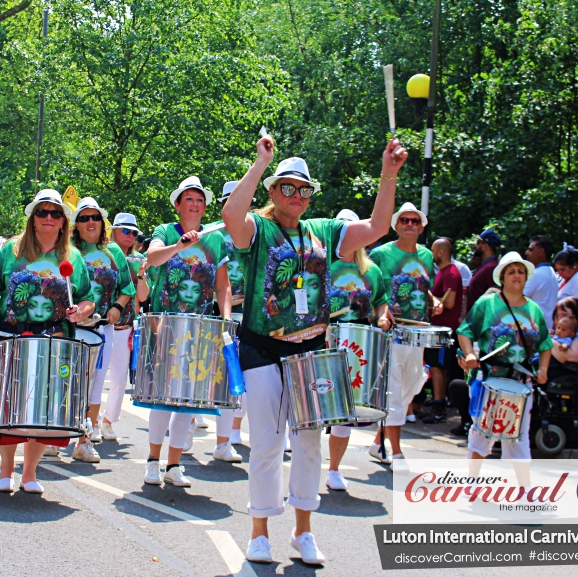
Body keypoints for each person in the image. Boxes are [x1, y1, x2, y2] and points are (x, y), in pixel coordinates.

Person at [222, 135, 407, 566]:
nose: (297, 196)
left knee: (308, 444)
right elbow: (232, 213)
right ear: (273, 191)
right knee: (267, 443)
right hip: (262, 350)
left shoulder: (324, 230)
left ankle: (303, 532)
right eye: (287, 187)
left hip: (310, 352)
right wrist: (261, 162)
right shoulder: (259, 229)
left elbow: (379, 227)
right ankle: (260, 532)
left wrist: (389, 173)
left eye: (304, 189)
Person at [0, 189, 95, 494]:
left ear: (62, 222)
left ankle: (29, 473)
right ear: (32, 218)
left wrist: (78, 312)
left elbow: (87, 299)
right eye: (42, 212)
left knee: (46, 407)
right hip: (14, 335)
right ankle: (6, 469)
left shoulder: (73, 256)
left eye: (55, 213)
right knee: (11, 403)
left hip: (56, 339)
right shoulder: (11, 251)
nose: (48, 218)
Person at [143, 175, 238, 490]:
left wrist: (224, 318)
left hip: (200, 327)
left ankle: (173, 464)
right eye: (189, 199)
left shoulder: (215, 238)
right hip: (166, 324)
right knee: (162, 397)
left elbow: (223, 285)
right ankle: (152, 462)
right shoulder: (166, 232)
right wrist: (179, 246)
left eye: (200, 200)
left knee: (188, 399)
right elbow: (152, 258)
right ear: (177, 204)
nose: (195, 204)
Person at [456, 252, 552, 462]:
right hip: (489, 378)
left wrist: (543, 369)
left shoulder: (533, 309)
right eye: (511, 272)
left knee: (518, 439)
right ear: (502, 278)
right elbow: (464, 331)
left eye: (520, 272)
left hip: (521, 381)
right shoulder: (487, 304)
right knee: (482, 434)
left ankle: (523, 492)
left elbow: (545, 344)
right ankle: (472, 486)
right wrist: (470, 353)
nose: (516, 275)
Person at [368, 202, 439, 464]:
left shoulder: (427, 256)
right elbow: (370, 286)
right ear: (396, 225)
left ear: (421, 228)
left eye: (415, 221)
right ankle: (396, 451)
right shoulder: (381, 254)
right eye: (405, 220)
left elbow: (421, 284)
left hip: (418, 331)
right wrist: (379, 314)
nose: (410, 224)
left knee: (413, 384)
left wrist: (434, 299)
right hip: (392, 332)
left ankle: (378, 443)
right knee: (394, 389)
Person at [325, 208, 389, 492]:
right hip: (325, 334)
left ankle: (334, 469)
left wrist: (383, 316)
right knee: (318, 399)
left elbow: (381, 301)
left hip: (358, 339)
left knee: (346, 407)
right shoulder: (323, 263)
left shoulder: (371, 270)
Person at [68, 197, 136, 463]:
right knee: (66, 381)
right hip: (69, 328)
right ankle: (53, 437)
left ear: (103, 222)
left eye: (95, 217)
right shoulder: (68, 250)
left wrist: (118, 307)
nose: (90, 222)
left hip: (100, 328)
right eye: (84, 218)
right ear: (76, 224)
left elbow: (127, 289)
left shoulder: (114, 253)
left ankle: (84, 441)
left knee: (95, 386)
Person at [100, 212, 150, 441]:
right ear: (113, 231)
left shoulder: (139, 259)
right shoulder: (102, 254)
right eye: (126, 231)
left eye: (134, 232)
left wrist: (141, 275)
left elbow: (142, 295)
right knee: (93, 378)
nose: (130, 236)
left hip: (124, 327)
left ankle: (108, 420)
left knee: (120, 380)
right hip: (97, 325)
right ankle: (88, 421)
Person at [422, 237, 464, 425]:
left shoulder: (451, 273)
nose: (431, 255)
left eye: (432, 251)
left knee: (438, 367)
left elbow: (449, 302)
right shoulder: (444, 272)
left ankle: (438, 407)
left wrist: (428, 294)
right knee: (435, 366)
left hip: (443, 328)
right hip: (437, 327)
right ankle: (437, 402)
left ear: (440, 252)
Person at [220, 180, 249, 447]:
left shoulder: (256, 232)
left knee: (241, 370)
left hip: (249, 312)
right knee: (214, 371)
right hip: (220, 312)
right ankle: (190, 422)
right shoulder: (211, 234)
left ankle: (234, 430)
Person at [548, 296, 578, 385]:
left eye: (564, 315)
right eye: (557, 316)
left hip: (576, 376)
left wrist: (547, 340)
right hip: (560, 370)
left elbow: (575, 357)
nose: (560, 319)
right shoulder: (560, 331)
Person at [524, 235, 559, 329]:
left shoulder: (536, 274)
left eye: (531, 250)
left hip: (536, 329)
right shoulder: (550, 270)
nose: (526, 253)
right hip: (548, 326)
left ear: (541, 252)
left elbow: (515, 298)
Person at [463, 229, 501, 315]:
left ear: (485, 246)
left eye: (478, 242)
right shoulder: (485, 266)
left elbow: (494, 296)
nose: (476, 245)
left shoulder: (492, 267)